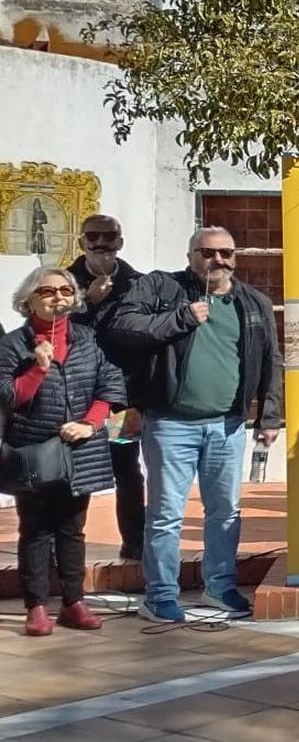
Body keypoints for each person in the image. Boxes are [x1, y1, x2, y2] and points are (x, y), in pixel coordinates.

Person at [105, 227, 282, 623]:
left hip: (227, 426)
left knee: (225, 512)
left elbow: (272, 361)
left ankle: (219, 587)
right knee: (166, 513)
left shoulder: (253, 303)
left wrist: (269, 415)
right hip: (170, 424)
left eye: (226, 253)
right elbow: (120, 328)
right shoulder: (162, 288)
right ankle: (160, 595)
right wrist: (179, 318)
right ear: (191, 255)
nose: (218, 260)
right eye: (208, 252)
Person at [2, 268, 125, 636]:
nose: (58, 297)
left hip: (81, 450)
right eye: (48, 291)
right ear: (29, 301)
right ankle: (37, 607)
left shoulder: (88, 339)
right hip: (34, 450)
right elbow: (8, 397)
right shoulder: (12, 345)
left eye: (66, 290)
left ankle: (74, 602)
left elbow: (110, 383)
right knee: (36, 530)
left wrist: (91, 422)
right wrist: (37, 369)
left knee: (73, 529)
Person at [65, 213, 147, 561]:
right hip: (76, 398)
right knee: (77, 472)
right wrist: (88, 302)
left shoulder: (138, 284)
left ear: (120, 242)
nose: (101, 245)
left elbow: (147, 345)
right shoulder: (61, 284)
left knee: (126, 469)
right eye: (92, 238)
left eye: (109, 238)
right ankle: (69, 549)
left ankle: (135, 545)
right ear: (82, 242)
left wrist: (140, 401)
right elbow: (53, 333)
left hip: (121, 400)